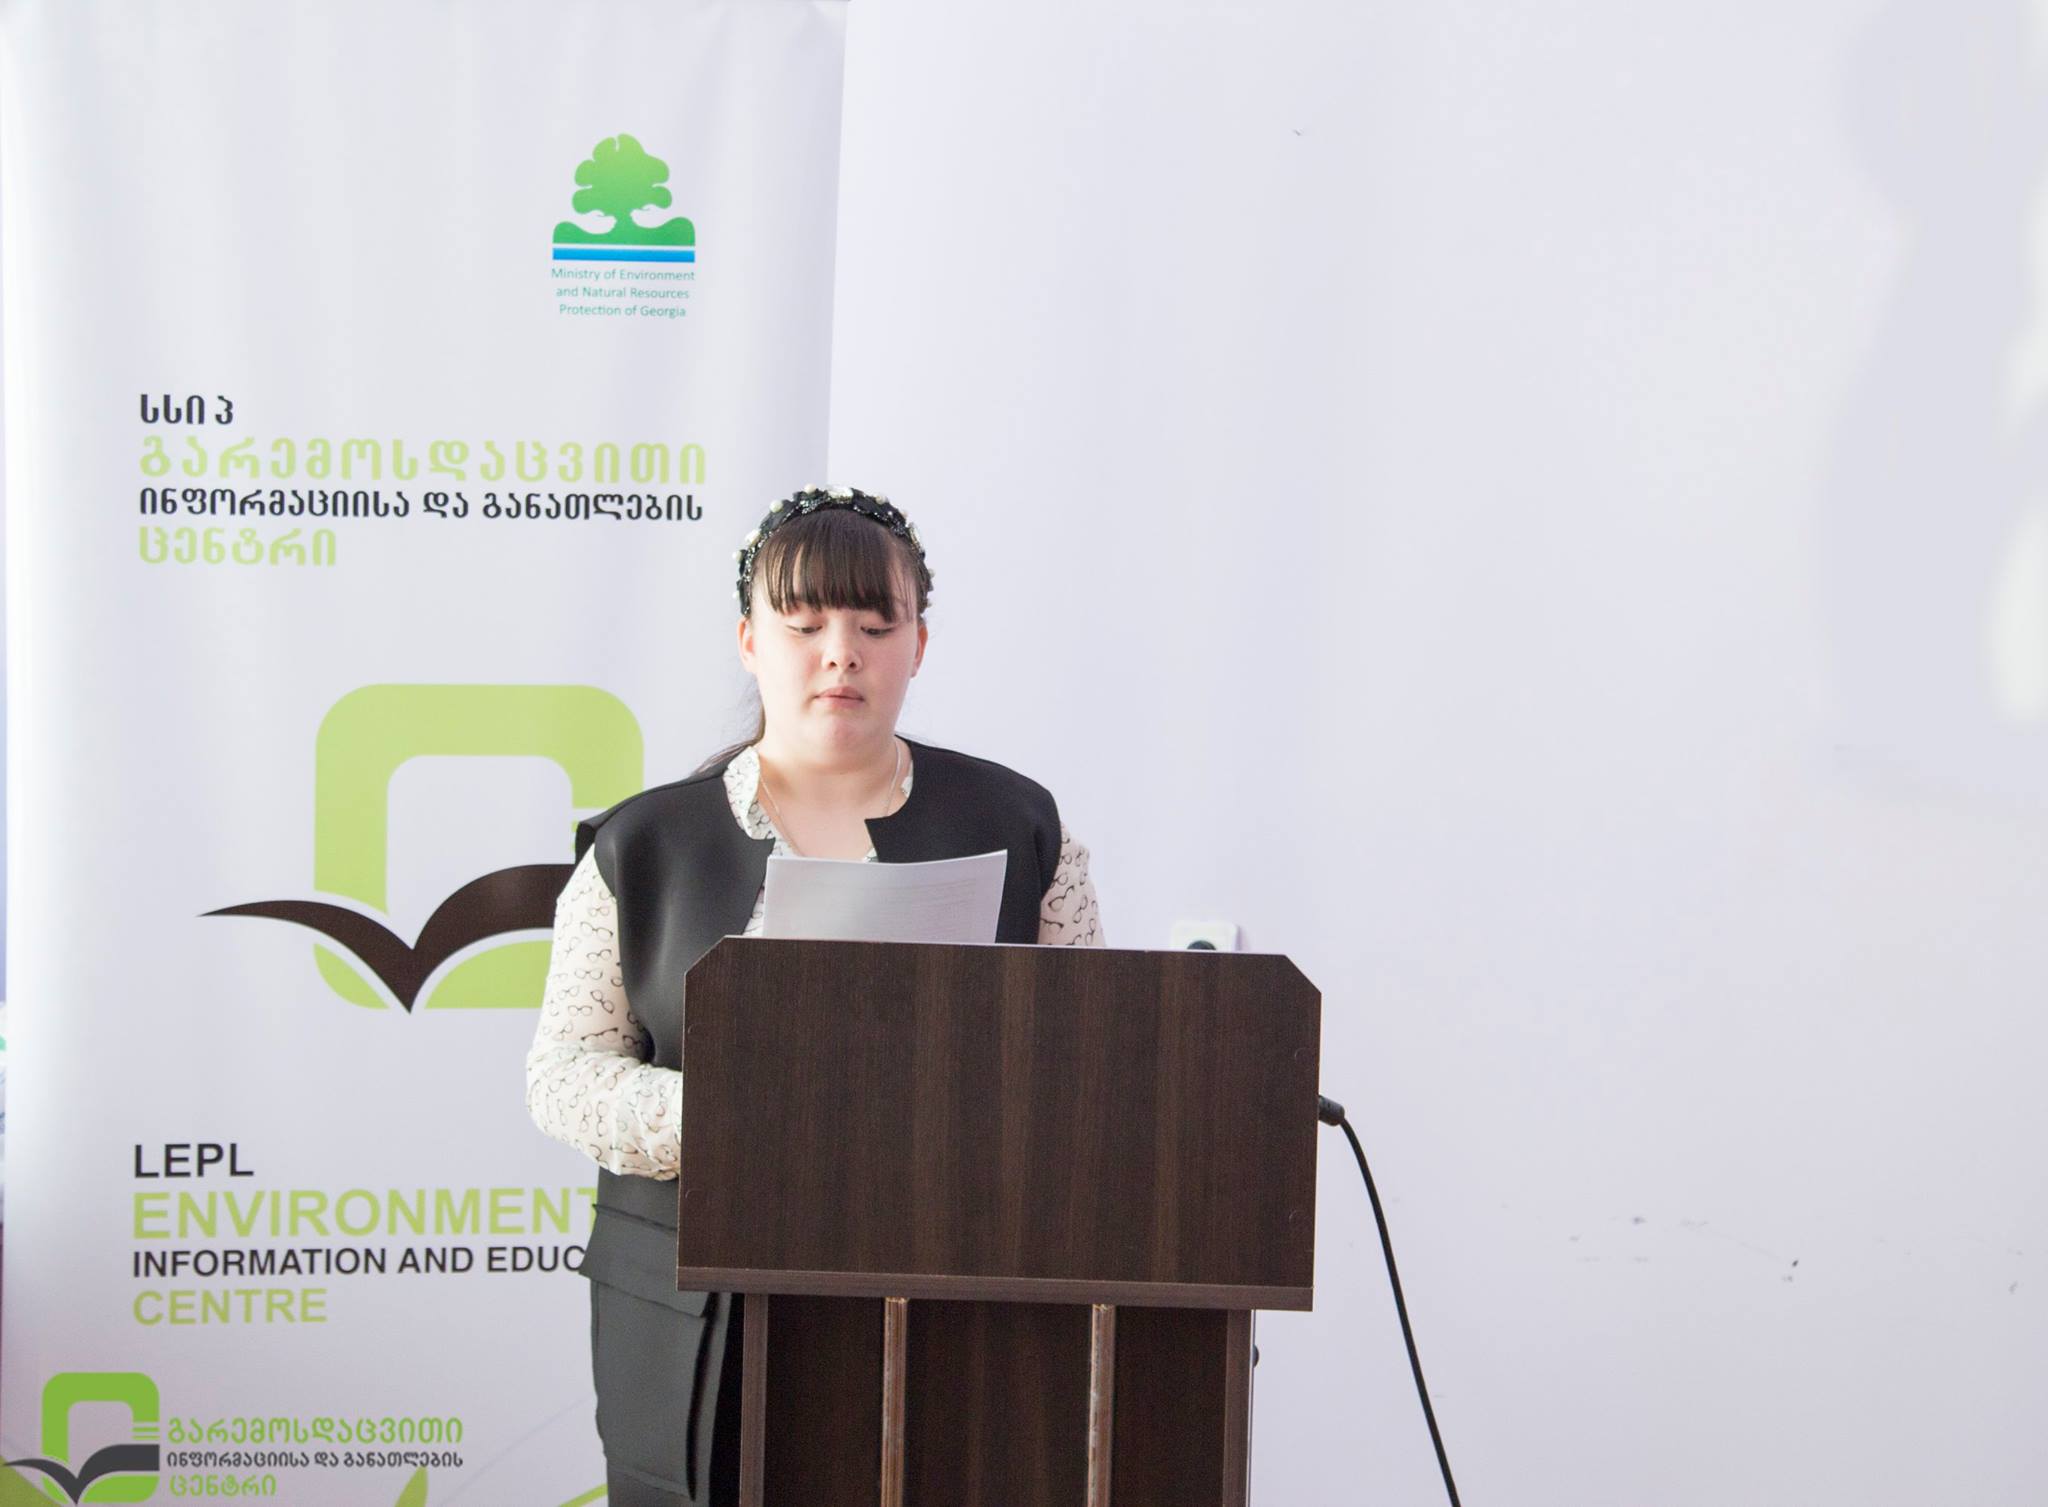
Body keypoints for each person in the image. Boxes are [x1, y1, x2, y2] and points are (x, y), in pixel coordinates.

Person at [525, 485, 1104, 1507]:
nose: (841, 655)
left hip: (956, 1294)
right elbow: (564, 1074)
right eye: (804, 625)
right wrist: (738, 1117)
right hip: (695, 1308)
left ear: (917, 645)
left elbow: (1087, 1051)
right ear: (750, 641)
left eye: (875, 627)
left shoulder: (1022, 827)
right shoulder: (643, 844)